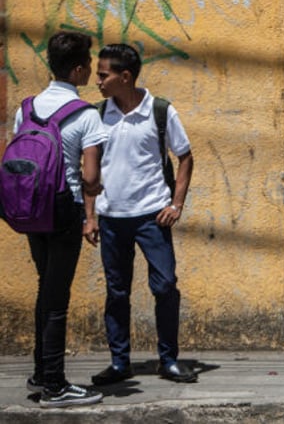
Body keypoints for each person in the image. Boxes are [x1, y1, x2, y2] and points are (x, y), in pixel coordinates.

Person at [90, 43, 198, 384]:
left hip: (152, 216)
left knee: (165, 286)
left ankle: (168, 360)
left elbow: (185, 157)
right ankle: (120, 363)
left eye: (104, 74)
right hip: (110, 218)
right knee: (116, 291)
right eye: (97, 73)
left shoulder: (160, 111)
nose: (98, 80)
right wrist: (89, 216)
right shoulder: (96, 114)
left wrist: (176, 205)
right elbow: (89, 171)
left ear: (125, 76)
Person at [14, 31, 107, 407]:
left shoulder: (27, 106)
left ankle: (41, 370)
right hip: (63, 211)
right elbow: (90, 178)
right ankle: (54, 385)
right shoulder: (86, 115)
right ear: (80, 68)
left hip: (31, 209)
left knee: (45, 289)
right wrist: (90, 216)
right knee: (56, 299)